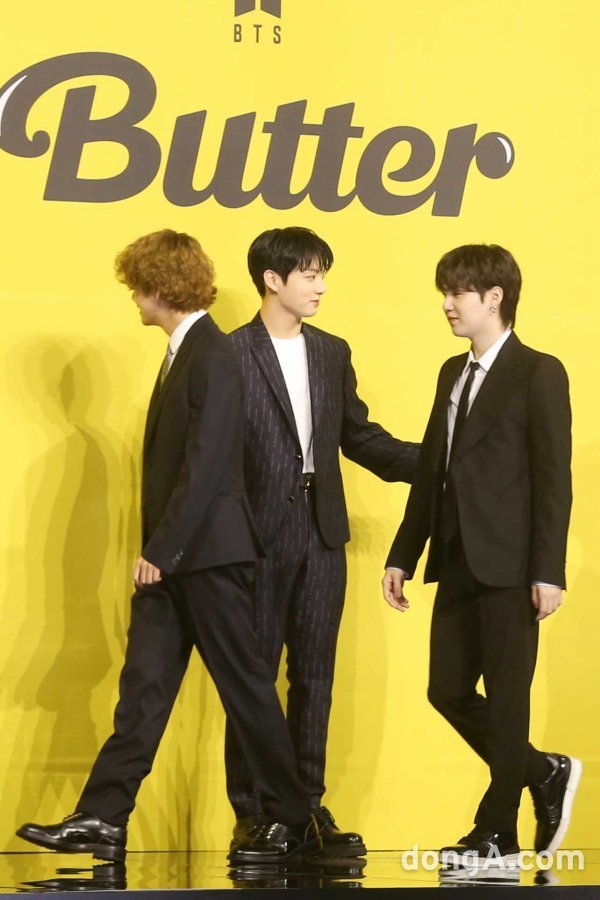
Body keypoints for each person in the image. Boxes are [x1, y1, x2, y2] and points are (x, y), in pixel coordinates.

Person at [16, 229, 324, 866]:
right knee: (144, 690)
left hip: (206, 557)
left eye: (137, 287)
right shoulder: (189, 352)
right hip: (178, 559)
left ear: (160, 287)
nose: (133, 297)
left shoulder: (213, 353)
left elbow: (207, 466)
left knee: (246, 689)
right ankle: (103, 817)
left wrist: (164, 548)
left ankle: (296, 818)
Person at [383, 244, 581, 867]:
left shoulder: (538, 372)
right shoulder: (452, 372)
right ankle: (542, 771)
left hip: (514, 566)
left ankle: (497, 832)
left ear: (494, 297)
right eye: (444, 292)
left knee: (508, 695)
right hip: (457, 558)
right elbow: (432, 472)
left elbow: (554, 480)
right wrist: (403, 553)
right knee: (446, 690)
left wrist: (548, 570)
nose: (446, 304)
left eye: (457, 293)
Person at [226, 226, 420, 857]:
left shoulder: (332, 352)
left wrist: (437, 461)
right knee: (253, 680)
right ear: (272, 280)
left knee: (315, 675)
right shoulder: (229, 354)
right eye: (310, 275)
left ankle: (306, 807)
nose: (321, 287)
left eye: (322, 274)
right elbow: (210, 458)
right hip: (253, 539)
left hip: (321, 534)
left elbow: (358, 436)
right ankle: (255, 812)